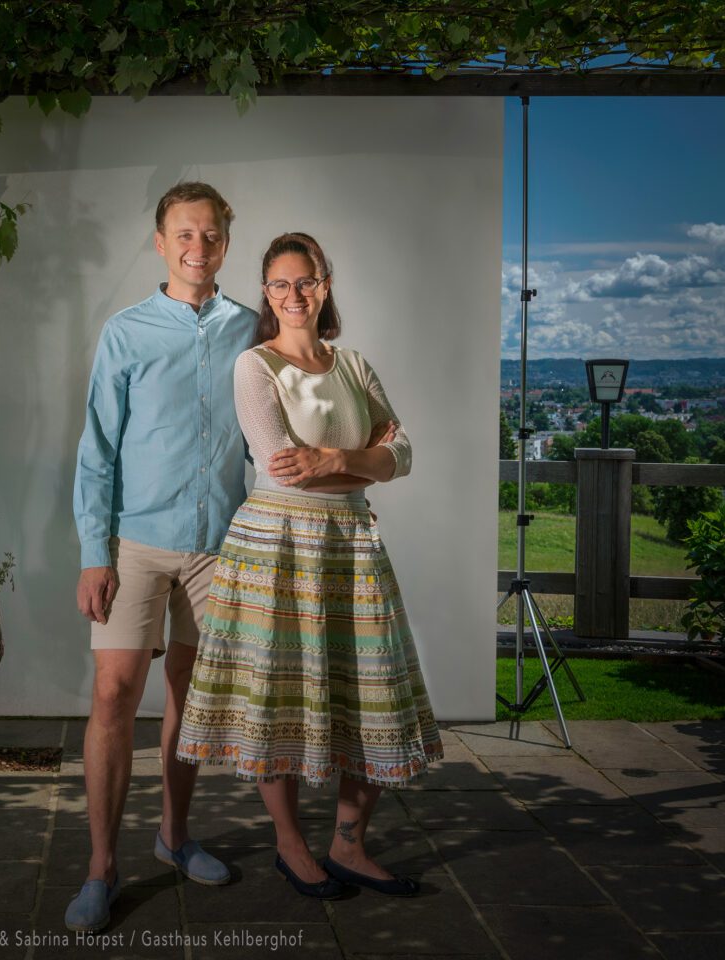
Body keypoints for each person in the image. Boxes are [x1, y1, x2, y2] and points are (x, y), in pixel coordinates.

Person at [174, 231, 444, 901]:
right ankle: (291, 845)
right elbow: (282, 471)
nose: (293, 294)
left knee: (370, 695)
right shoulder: (255, 366)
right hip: (277, 546)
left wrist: (334, 460)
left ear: (325, 286)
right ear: (267, 294)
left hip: (351, 544)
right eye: (280, 284)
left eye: (306, 281)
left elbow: (404, 453)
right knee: (281, 698)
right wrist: (363, 462)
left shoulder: (354, 365)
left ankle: (348, 843)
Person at [68, 182, 263, 932]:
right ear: (160, 242)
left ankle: (174, 836)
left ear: (225, 244)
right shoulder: (125, 332)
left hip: (221, 547)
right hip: (136, 545)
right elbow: (98, 450)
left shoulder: (250, 329)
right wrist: (95, 553)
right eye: (184, 234)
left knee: (192, 696)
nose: (197, 247)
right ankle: (101, 867)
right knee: (113, 693)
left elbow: (268, 436)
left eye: (210, 235)